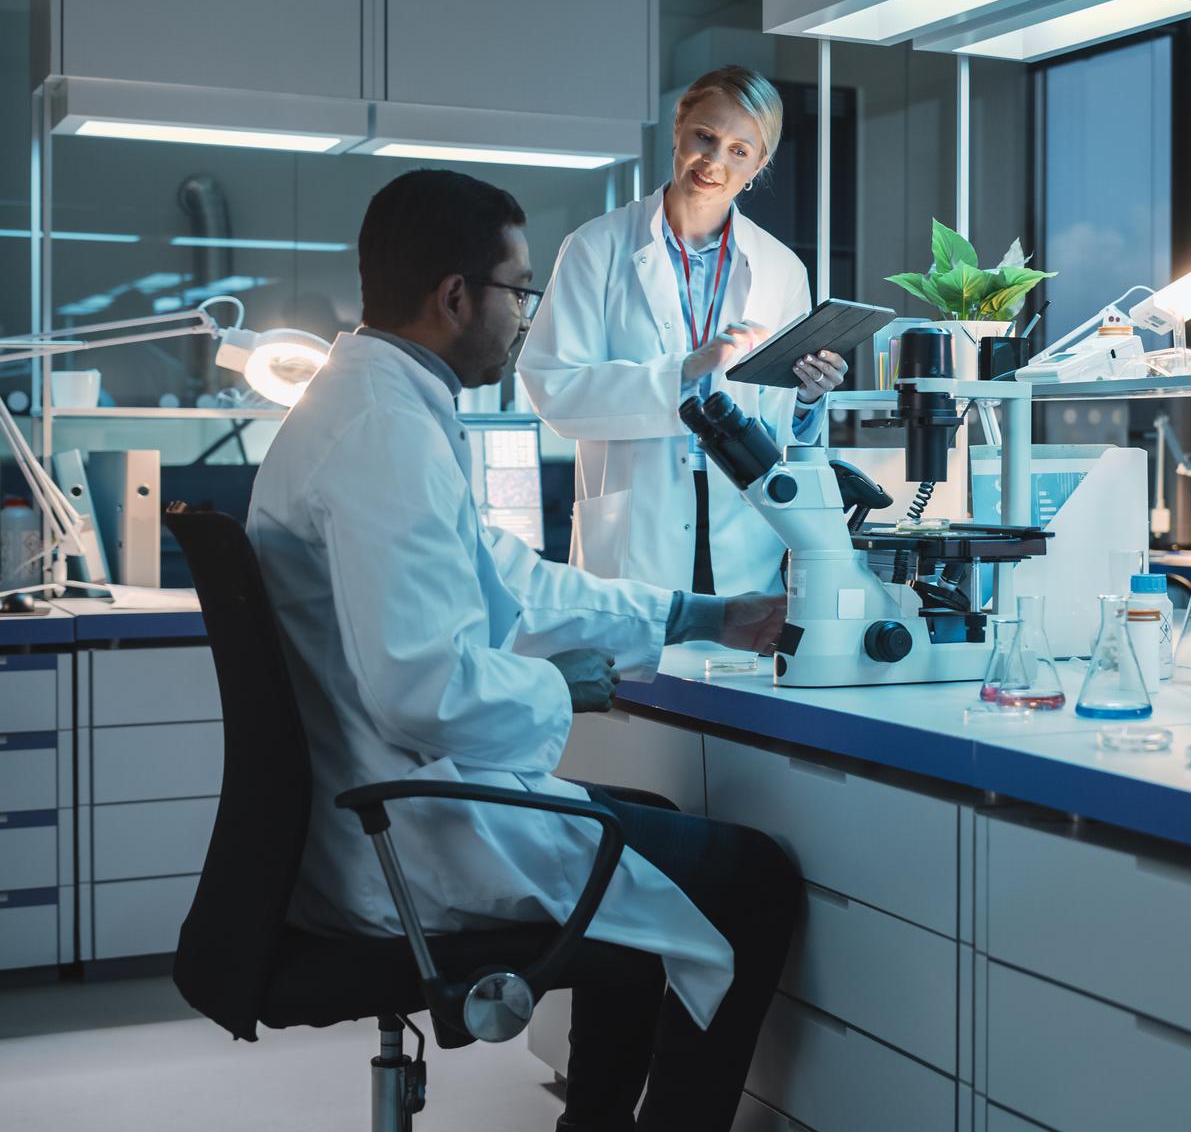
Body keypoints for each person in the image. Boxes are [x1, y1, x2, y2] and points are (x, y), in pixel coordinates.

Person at [247, 168, 801, 1130]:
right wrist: (560, 686)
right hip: (409, 828)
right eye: (521, 290)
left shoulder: (376, 401)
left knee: (650, 827)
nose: (527, 317)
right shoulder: (385, 429)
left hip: (385, 802)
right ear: (456, 296)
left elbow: (508, 576)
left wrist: (697, 613)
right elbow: (425, 689)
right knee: (756, 881)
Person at [519, 65, 848, 595]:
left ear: (759, 163)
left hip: (745, 530)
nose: (715, 161)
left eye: (740, 150)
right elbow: (555, 392)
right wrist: (685, 371)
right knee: (638, 674)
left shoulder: (782, 268)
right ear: (679, 127)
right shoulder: (595, 248)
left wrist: (808, 396)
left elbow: (782, 430)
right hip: (635, 531)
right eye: (705, 136)